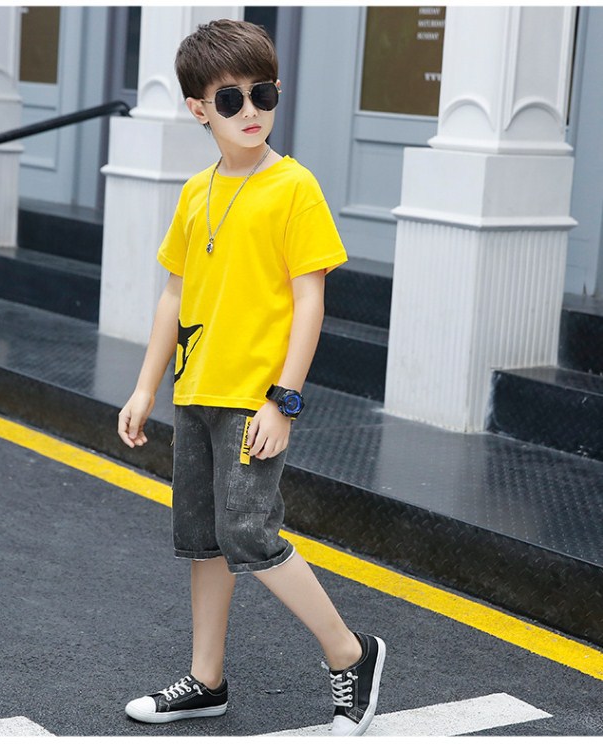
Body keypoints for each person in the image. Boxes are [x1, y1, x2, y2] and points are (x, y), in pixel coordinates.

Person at [117, 18, 386, 737]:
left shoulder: (294, 187)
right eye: (230, 99)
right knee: (204, 539)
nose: (251, 111)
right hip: (196, 390)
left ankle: (351, 653)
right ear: (197, 109)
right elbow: (174, 296)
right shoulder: (196, 192)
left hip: (254, 397)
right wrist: (145, 387)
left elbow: (311, 301)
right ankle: (206, 680)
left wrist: (283, 400)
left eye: (262, 93)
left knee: (250, 533)